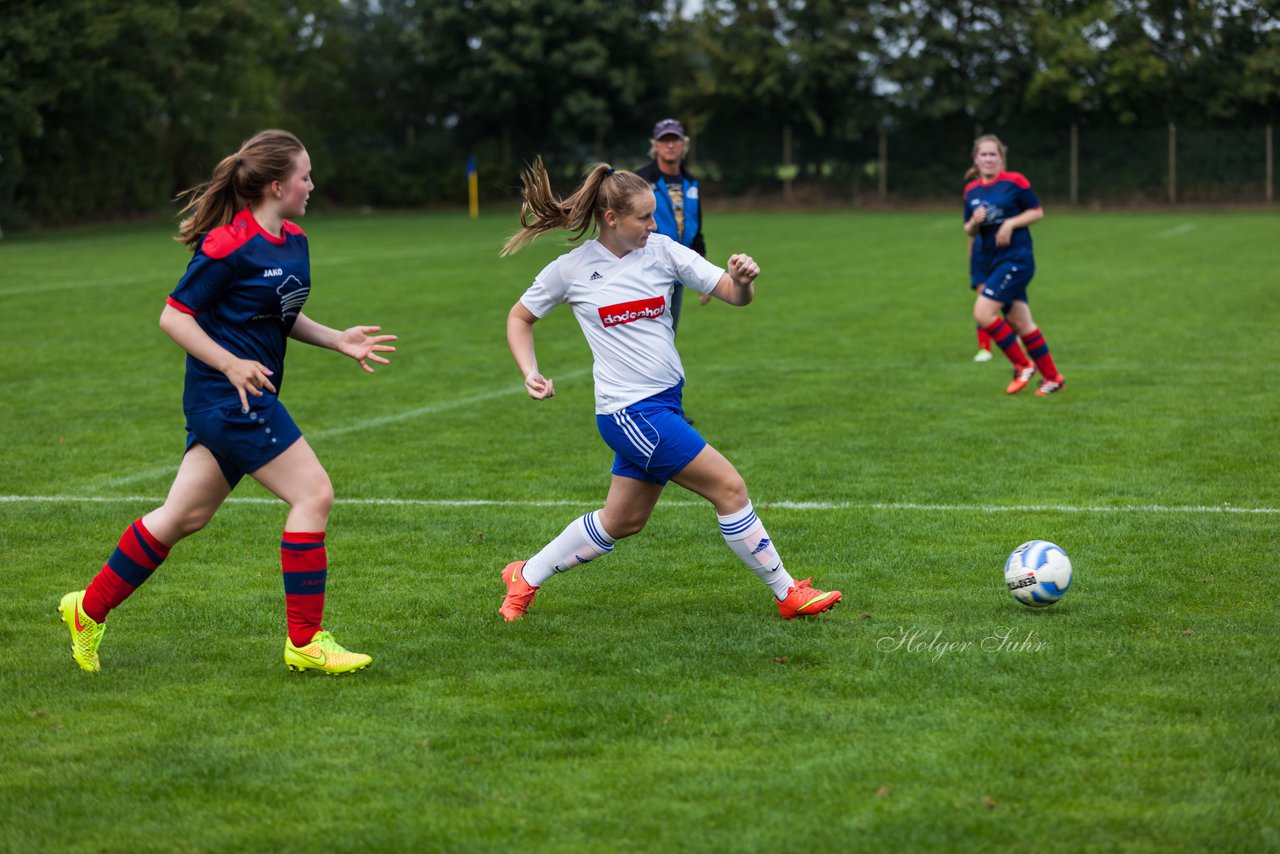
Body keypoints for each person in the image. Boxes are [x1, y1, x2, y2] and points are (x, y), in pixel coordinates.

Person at [58, 129, 397, 675]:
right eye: (305, 176)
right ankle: (305, 643)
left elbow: (277, 313)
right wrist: (229, 362)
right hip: (230, 399)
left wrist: (336, 338)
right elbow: (174, 315)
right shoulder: (227, 245)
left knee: (181, 517)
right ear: (276, 184)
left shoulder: (295, 241)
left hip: (245, 397)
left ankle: (87, 609)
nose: (312, 185)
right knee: (315, 494)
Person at [496, 158, 842, 622]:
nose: (653, 224)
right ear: (612, 218)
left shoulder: (662, 251)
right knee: (729, 487)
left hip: (664, 405)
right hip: (630, 413)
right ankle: (786, 593)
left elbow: (731, 294)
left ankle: (525, 574)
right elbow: (520, 317)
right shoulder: (572, 269)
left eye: (654, 215)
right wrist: (530, 370)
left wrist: (742, 281)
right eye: (644, 217)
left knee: (622, 521)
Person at [963, 134, 1066, 395]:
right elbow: (969, 231)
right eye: (983, 154)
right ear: (976, 159)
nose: (988, 159)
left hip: (1017, 260)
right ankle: (1052, 378)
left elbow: (1037, 211)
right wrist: (975, 221)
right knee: (1021, 323)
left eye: (993, 154)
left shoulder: (1015, 182)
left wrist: (1010, 223)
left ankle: (1022, 365)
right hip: (993, 262)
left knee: (983, 313)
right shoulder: (971, 191)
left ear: (1001, 158)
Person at [635, 118, 710, 337]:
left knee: (668, 336)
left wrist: (704, 279)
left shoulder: (691, 182)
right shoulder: (640, 180)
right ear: (655, 145)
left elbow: (696, 232)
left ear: (684, 145)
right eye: (664, 140)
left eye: (674, 140)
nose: (670, 145)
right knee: (646, 336)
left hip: (677, 273)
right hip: (646, 270)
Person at [968, 237, 993, 361]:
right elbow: (970, 230)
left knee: (1008, 300)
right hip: (980, 251)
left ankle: (1014, 334)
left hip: (1003, 251)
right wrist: (971, 252)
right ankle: (984, 348)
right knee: (983, 299)